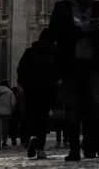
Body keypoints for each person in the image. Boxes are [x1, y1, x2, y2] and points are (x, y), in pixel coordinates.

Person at [48, 0, 99, 161]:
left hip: (93, 65)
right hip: (71, 65)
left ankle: (90, 146)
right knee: (73, 109)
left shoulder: (98, 7)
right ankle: (74, 149)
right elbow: (53, 32)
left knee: (93, 109)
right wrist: (79, 29)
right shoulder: (62, 8)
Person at [17, 27, 58, 160]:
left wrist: (24, 84)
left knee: (31, 118)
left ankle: (32, 137)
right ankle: (40, 149)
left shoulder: (29, 52)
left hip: (30, 90)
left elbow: (20, 70)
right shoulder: (52, 53)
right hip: (46, 91)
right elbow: (56, 73)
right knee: (42, 120)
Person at [0, 81, 17, 148]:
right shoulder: (10, 92)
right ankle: (4, 142)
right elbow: (13, 103)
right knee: (5, 127)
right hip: (7, 112)